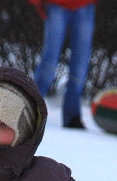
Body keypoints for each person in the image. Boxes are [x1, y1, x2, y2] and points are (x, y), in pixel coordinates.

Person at [28, 0, 96, 129]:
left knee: (80, 65)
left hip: (85, 6)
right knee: (49, 62)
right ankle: (30, 108)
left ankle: (72, 116)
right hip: (56, 5)